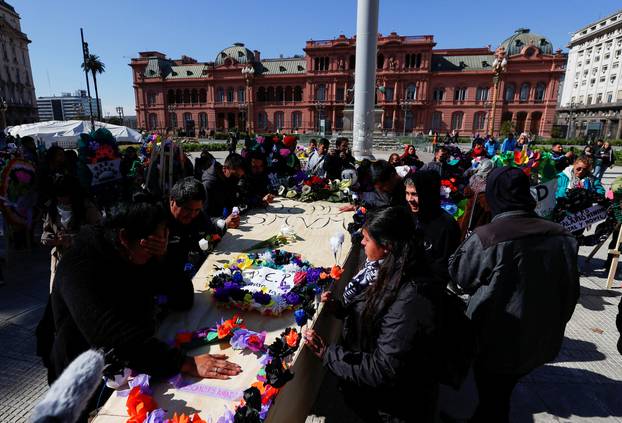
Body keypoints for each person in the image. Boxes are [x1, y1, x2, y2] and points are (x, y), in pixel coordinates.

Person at [38, 197, 242, 421]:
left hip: (134, 362)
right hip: (83, 377)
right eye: (155, 242)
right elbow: (111, 335)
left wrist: (163, 257)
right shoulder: (81, 262)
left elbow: (183, 298)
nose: (158, 247)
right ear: (125, 237)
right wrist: (184, 362)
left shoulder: (141, 250)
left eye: (164, 238)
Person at [449, 166, 580, 423]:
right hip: (539, 338)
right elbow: (570, 291)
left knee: (494, 398)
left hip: (494, 340)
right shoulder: (561, 235)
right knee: (499, 394)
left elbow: (460, 277)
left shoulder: (488, 237)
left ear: (495, 194)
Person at [303, 207, 441, 422]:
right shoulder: (385, 269)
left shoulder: (409, 296)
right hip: (373, 389)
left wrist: (328, 354)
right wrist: (340, 309)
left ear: (386, 246)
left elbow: (383, 368)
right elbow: (371, 311)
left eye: (367, 239)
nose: (362, 243)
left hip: (394, 404)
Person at [41, 176, 102, 291]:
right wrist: (50, 239)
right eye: (59, 196)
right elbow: (46, 231)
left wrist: (71, 239)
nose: (62, 199)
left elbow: (98, 231)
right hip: (60, 261)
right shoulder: (52, 208)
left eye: (65, 195)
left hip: (83, 261)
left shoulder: (87, 207)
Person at [167, 178, 235, 278]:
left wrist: (224, 224)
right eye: (187, 209)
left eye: (197, 210)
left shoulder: (199, 217)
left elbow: (211, 230)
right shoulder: (158, 222)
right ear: (172, 201)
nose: (192, 215)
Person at [405, 172, 460, 284]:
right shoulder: (407, 215)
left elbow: (443, 268)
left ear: (428, 194)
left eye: (415, 194)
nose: (410, 199)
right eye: (407, 193)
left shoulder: (446, 226)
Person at [341, 160, 405, 212]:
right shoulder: (383, 188)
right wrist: (358, 206)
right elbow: (375, 201)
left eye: (382, 187)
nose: (381, 191)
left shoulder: (408, 191)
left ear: (392, 177)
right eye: (378, 189)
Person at [202, 153, 246, 218]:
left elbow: (232, 202)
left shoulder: (228, 179)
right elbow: (204, 216)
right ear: (225, 169)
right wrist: (222, 223)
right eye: (236, 175)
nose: (238, 179)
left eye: (240, 176)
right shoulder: (209, 184)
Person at [459, 159, 494, 240]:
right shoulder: (488, 188)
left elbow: (466, 192)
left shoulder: (474, 180)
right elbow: (488, 208)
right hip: (479, 222)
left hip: (468, 217)